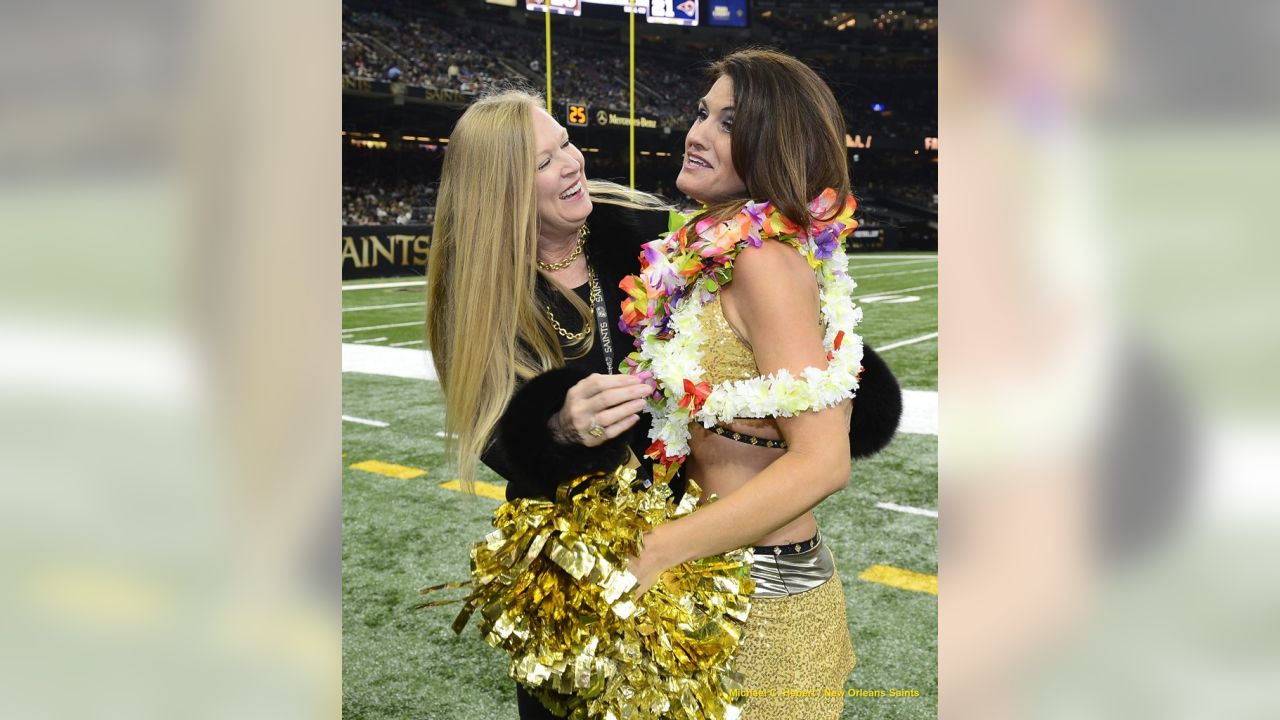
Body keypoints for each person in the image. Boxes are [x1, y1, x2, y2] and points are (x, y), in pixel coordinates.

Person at [618, 49, 872, 719]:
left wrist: (660, 549)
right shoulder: (711, 251)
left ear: (773, 144)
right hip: (707, 576)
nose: (698, 133)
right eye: (702, 114)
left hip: (763, 598)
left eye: (729, 123)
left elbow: (825, 460)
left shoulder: (763, 260)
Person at [425, 89, 683, 720]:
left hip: (685, 533)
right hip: (570, 565)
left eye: (565, 144)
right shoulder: (479, 285)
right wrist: (559, 428)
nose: (572, 163)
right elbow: (491, 434)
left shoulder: (640, 229)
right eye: (544, 162)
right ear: (502, 191)